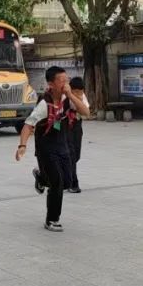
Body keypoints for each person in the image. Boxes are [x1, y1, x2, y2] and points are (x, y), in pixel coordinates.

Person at [16, 66, 88, 232]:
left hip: (63, 145)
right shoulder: (44, 104)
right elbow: (28, 125)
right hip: (46, 148)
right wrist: (22, 146)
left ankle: (41, 177)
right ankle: (52, 219)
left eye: (66, 80)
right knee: (57, 183)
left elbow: (85, 112)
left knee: (68, 182)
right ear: (51, 84)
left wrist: (70, 94)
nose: (65, 83)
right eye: (61, 81)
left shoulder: (68, 99)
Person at [67, 76, 92, 193]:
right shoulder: (63, 96)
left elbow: (87, 112)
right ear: (70, 89)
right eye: (75, 92)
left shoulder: (82, 97)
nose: (78, 94)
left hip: (76, 126)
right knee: (70, 155)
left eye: (80, 92)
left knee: (76, 155)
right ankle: (73, 183)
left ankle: (43, 172)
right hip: (64, 126)